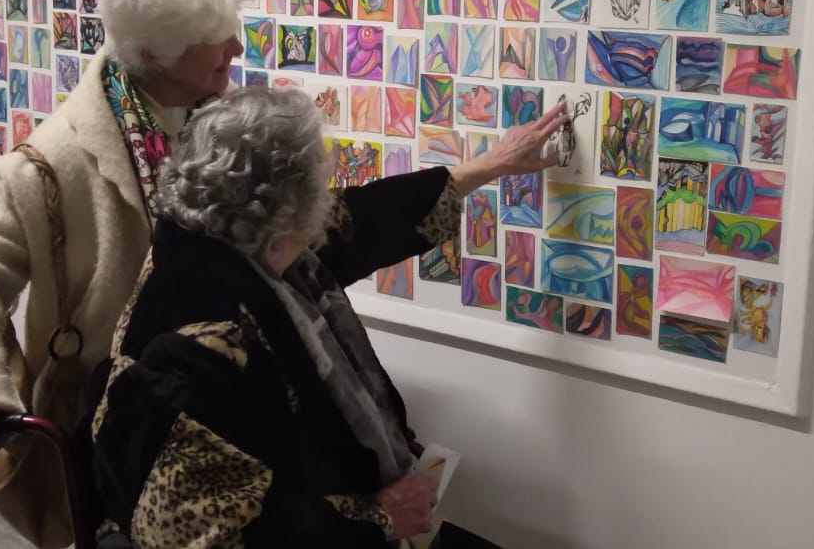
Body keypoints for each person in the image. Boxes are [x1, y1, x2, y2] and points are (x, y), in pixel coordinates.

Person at [87, 87, 565, 547]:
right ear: (293, 205)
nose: (329, 196)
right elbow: (196, 531)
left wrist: (493, 163)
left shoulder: (239, 238)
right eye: (319, 182)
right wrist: (378, 516)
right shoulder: (201, 338)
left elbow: (371, 218)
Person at [0, 0, 254, 461]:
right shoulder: (53, 162)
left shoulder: (233, 123)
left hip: (231, 413)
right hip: (118, 438)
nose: (237, 46)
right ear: (154, 54)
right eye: (214, 37)